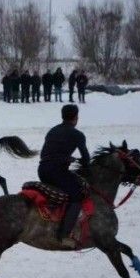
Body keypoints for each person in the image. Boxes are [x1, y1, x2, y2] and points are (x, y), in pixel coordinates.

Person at [38, 104, 90, 247]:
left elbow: (44, 154)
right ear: (75, 118)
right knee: (77, 196)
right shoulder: (78, 135)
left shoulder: (52, 131)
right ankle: (65, 234)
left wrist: (66, 158)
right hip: (57, 171)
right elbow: (86, 159)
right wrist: (72, 160)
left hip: (42, 170)